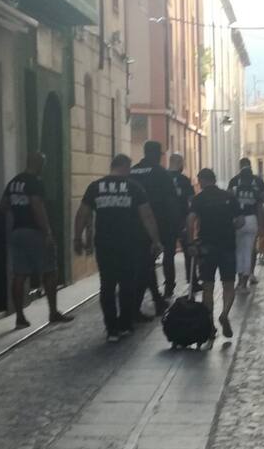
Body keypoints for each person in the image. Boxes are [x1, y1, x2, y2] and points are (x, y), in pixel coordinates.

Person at [73, 154, 163, 342]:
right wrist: (155, 240)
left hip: (104, 244)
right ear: (125, 167)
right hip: (128, 244)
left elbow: (82, 214)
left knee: (107, 285)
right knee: (127, 284)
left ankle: (111, 328)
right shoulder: (134, 187)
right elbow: (147, 216)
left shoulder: (95, 187)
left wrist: (77, 237)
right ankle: (125, 324)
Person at [1, 152, 74, 329]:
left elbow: (3, 205)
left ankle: (20, 317)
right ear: (39, 164)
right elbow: (37, 206)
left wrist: (17, 215)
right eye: (43, 164)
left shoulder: (14, 182)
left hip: (17, 231)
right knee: (49, 271)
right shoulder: (35, 182)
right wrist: (47, 231)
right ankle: (53, 312)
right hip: (34, 232)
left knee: (19, 274)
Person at [188, 168, 244, 339]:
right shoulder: (229, 197)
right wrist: (230, 226)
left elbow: (190, 220)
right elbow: (240, 221)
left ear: (202, 181)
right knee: (228, 284)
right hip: (227, 245)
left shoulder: (198, 198)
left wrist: (190, 242)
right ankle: (225, 313)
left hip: (207, 247)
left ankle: (210, 325)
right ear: (214, 179)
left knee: (208, 286)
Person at [130, 141, 178, 319]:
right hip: (157, 226)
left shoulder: (132, 172)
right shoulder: (162, 173)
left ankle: (156, 300)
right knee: (146, 266)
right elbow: (171, 202)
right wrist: (174, 226)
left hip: (134, 227)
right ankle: (137, 308)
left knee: (145, 265)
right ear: (157, 154)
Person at [228, 158, 264, 292]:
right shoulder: (256, 190)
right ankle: (245, 282)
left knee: (239, 252)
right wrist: (262, 226)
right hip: (252, 220)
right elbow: (260, 207)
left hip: (237, 221)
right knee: (248, 251)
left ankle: (239, 281)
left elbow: (228, 205)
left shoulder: (234, 188)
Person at [163, 153, 199, 298]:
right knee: (189, 250)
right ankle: (193, 281)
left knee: (168, 255)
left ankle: (169, 286)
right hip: (182, 221)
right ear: (179, 164)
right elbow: (192, 200)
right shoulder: (184, 180)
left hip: (166, 222)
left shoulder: (162, 177)